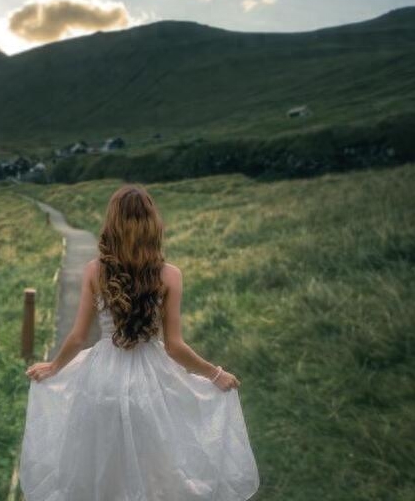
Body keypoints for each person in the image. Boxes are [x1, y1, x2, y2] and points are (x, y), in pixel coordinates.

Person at [19, 184, 260, 500]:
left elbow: (78, 337)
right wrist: (215, 374)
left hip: (101, 381)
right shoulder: (170, 275)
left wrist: (53, 367)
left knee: (103, 462)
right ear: (153, 224)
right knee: (153, 464)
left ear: (112, 224)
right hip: (152, 382)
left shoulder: (95, 271)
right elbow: (175, 346)